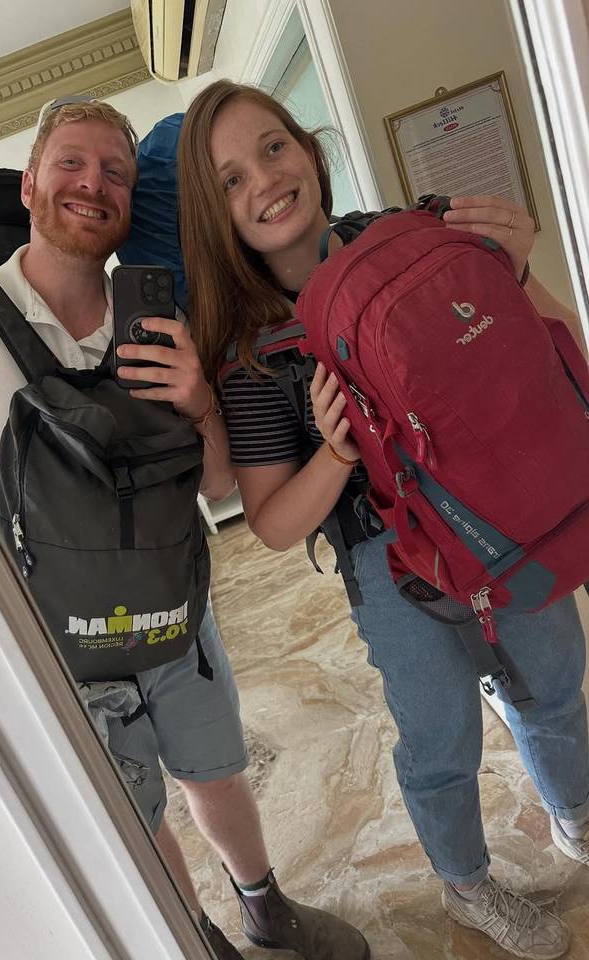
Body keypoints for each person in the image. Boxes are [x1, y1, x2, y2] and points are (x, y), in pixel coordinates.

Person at [0, 96, 371, 960]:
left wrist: (198, 403)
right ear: (30, 182)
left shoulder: (157, 322)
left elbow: (222, 485)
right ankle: (192, 937)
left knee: (216, 768)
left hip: (175, 609)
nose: (94, 183)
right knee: (131, 810)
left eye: (116, 170)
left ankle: (263, 905)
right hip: (51, 644)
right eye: (72, 163)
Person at [177, 78, 589, 960]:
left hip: (495, 510)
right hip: (386, 560)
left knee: (554, 680)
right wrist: (333, 453)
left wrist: (520, 268)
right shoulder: (249, 354)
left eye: (274, 148)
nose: (264, 181)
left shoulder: (413, 243)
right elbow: (276, 524)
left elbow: (557, 349)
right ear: (215, 215)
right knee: (440, 731)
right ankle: (468, 886)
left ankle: (575, 813)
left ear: (310, 149)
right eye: (230, 180)